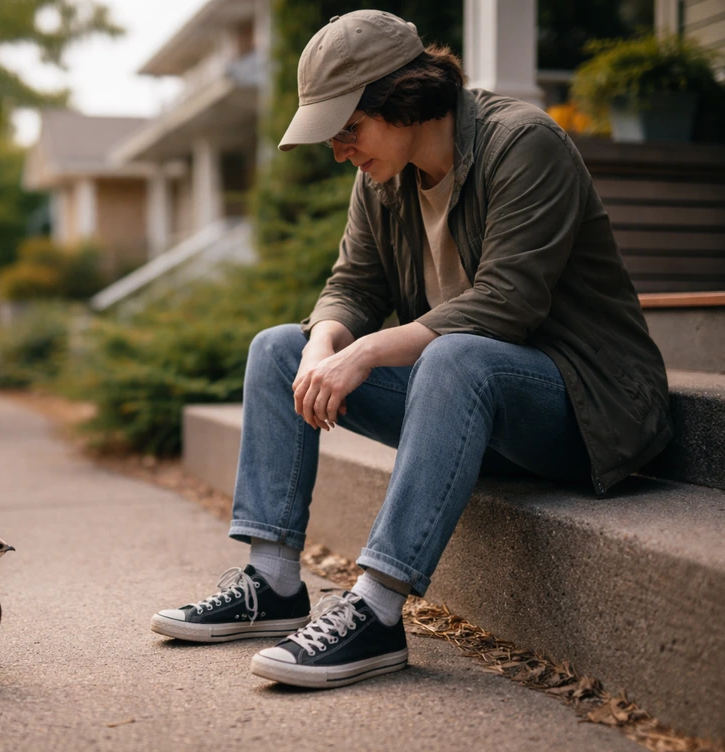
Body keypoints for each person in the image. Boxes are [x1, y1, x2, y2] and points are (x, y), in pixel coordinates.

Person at [151, 10, 672, 689]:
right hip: (468, 404)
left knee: (454, 356)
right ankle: (273, 581)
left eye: (348, 128)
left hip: (586, 408)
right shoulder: (380, 176)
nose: (340, 149)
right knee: (281, 348)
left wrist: (362, 354)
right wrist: (327, 343)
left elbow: (506, 303)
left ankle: (376, 609)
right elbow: (351, 284)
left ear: (403, 99)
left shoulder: (525, 144)